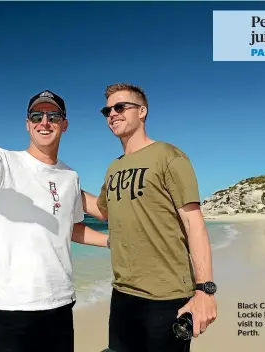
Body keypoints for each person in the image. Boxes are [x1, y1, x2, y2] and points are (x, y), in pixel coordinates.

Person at [0, 56, 108, 352]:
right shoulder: (3, 163)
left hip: (61, 301)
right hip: (11, 308)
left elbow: (72, 229)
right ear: (27, 125)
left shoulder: (70, 177)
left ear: (65, 124)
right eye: (37, 116)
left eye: (53, 115)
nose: (45, 122)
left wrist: (113, 242)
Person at [82, 83, 217, 352]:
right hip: (122, 294)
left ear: (142, 111)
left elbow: (194, 223)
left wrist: (205, 290)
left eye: (120, 107)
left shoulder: (169, 156)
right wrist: (60, 183)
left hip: (167, 297)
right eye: (106, 109)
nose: (112, 113)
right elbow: (103, 210)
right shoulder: (114, 167)